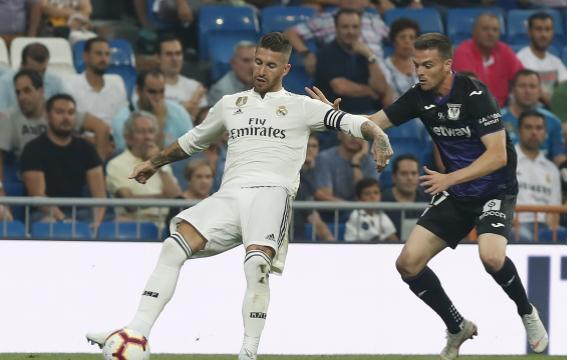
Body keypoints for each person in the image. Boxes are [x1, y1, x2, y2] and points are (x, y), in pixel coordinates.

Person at [86, 32, 393, 360]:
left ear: (286, 69)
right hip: (230, 194)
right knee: (173, 245)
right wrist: (153, 162)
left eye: (270, 65)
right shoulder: (230, 104)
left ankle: (248, 353)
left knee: (256, 267)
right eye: (258, 62)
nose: (261, 70)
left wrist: (377, 134)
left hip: (272, 194)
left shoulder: (303, 107)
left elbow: (350, 122)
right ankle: (137, 331)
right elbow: (192, 141)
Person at [309, 32, 548, 359]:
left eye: (428, 65)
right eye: (416, 64)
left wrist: (450, 177)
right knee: (408, 264)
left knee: (491, 257)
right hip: (456, 191)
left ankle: (526, 312)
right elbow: (374, 124)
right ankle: (456, 326)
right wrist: (336, 117)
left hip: (494, 189)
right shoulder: (417, 97)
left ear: (448, 65)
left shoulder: (475, 94)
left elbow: (497, 156)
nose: (419, 71)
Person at [20, 93, 106, 228]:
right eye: (60, 112)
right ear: (47, 116)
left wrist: (96, 223)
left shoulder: (87, 148)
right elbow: (38, 196)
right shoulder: (33, 149)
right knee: (50, 224)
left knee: (116, 224)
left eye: (71, 113)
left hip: (80, 212)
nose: (66, 118)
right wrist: (64, 221)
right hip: (43, 215)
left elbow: (100, 197)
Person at [106, 111, 182, 226]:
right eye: (141, 132)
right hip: (134, 225)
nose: (148, 137)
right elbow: (130, 203)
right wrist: (164, 197)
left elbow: (176, 196)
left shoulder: (162, 161)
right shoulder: (116, 164)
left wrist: (158, 164)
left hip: (166, 225)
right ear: (128, 138)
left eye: (151, 131)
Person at [314, 8, 394, 115]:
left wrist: (370, 57)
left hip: (370, 114)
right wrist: (370, 91)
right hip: (337, 115)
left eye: (355, 27)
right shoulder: (326, 53)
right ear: (336, 28)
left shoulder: (364, 52)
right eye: (345, 27)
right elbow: (341, 87)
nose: (350, 31)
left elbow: (381, 88)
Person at [285, 0, 388, 75]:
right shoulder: (326, 19)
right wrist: (306, 54)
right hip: (341, 73)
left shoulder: (375, 20)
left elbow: (397, 38)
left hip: (377, 72)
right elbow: (290, 33)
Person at [111, 69, 193, 153]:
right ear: (138, 91)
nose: (158, 98)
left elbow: (191, 145)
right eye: (152, 92)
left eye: (161, 91)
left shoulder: (178, 112)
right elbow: (136, 154)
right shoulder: (122, 119)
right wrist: (159, 120)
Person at [452, 13, 523, 107]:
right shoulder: (463, 52)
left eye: (495, 30)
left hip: (502, 110)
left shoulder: (504, 50)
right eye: (485, 29)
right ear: (474, 31)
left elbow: (522, 78)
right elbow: (471, 89)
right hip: (472, 109)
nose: (491, 34)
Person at [513, 110, 562, 242]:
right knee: (524, 237)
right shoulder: (507, 161)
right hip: (514, 225)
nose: (534, 132)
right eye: (528, 127)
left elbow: (554, 208)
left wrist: (552, 232)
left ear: (545, 133)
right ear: (519, 131)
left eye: (539, 128)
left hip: (544, 227)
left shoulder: (552, 169)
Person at [501, 69, 567, 166]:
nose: (527, 91)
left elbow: (560, 159)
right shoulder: (497, 120)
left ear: (540, 91)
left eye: (532, 86)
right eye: (522, 86)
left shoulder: (553, 121)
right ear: (513, 90)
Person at [66, 37, 128, 125]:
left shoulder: (117, 81)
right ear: (85, 57)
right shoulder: (70, 84)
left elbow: (123, 119)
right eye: (99, 54)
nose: (104, 59)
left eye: (107, 54)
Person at [516, 11, 567, 103]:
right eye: (539, 29)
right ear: (529, 32)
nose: (544, 34)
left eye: (548, 29)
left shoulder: (556, 62)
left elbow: (565, 91)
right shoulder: (520, 60)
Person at [0, 43, 66, 110]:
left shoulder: (56, 82)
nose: (39, 76)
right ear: (22, 66)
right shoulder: (5, 82)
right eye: (34, 72)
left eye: (43, 71)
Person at [157, 34, 207, 120]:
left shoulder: (195, 87)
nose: (174, 59)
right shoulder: (151, 88)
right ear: (158, 58)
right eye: (169, 54)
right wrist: (193, 102)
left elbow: (204, 120)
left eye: (178, 53)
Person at [381, 154, 430, 238]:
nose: (410, 178)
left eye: (414, 173)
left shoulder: (428, 199)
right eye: (404, 173)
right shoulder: (381, 200)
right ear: (394, 177)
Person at [164, 158, 215, 232]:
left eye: (208, 177)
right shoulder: (177, 203)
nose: (204, 181)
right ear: (189, 179)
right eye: (199, 177)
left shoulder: (218, 201)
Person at [344, 177, 398, 242]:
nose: (373, 197)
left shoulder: (381, 215)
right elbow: (374, 238)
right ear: (359, 198)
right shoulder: (356, 215)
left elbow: (393, 237)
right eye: (367, 194)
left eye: (376, 193)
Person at [380, 18, 419, 100]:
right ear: (394, 41)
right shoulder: (384, 67)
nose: (407, 41)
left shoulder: (423, 65)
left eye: (412, 37)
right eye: (402, 37)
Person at [208, 41, 256, 106]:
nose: (252, 66)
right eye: (246, 61)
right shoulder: (222, 91)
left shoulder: (263, 83)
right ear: (233, 63)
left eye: (256, 61)